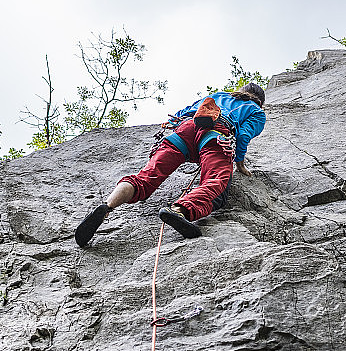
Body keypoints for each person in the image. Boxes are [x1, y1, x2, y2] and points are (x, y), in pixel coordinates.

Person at [74, 82, 266, 246]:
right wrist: (239, 164)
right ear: (260, 102)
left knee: (144, 179)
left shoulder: (219, 95)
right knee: (216, 183)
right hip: (216, 136)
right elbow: (243, 136)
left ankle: (107, 206)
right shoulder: (257, 112)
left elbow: (182, 112)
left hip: (185, 130)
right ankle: (179, 211)